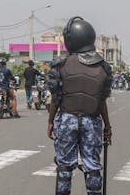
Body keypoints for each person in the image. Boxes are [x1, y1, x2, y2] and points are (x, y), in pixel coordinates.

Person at [47, 16, 112, 195]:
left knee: (65, 167)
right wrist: (107, 125)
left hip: (67, 120)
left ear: (70, 39)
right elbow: (102, 102)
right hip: (92, 121)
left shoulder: (60, 65)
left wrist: (51, 121)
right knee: (92, 167)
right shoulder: (104, 67)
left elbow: (55, 99)